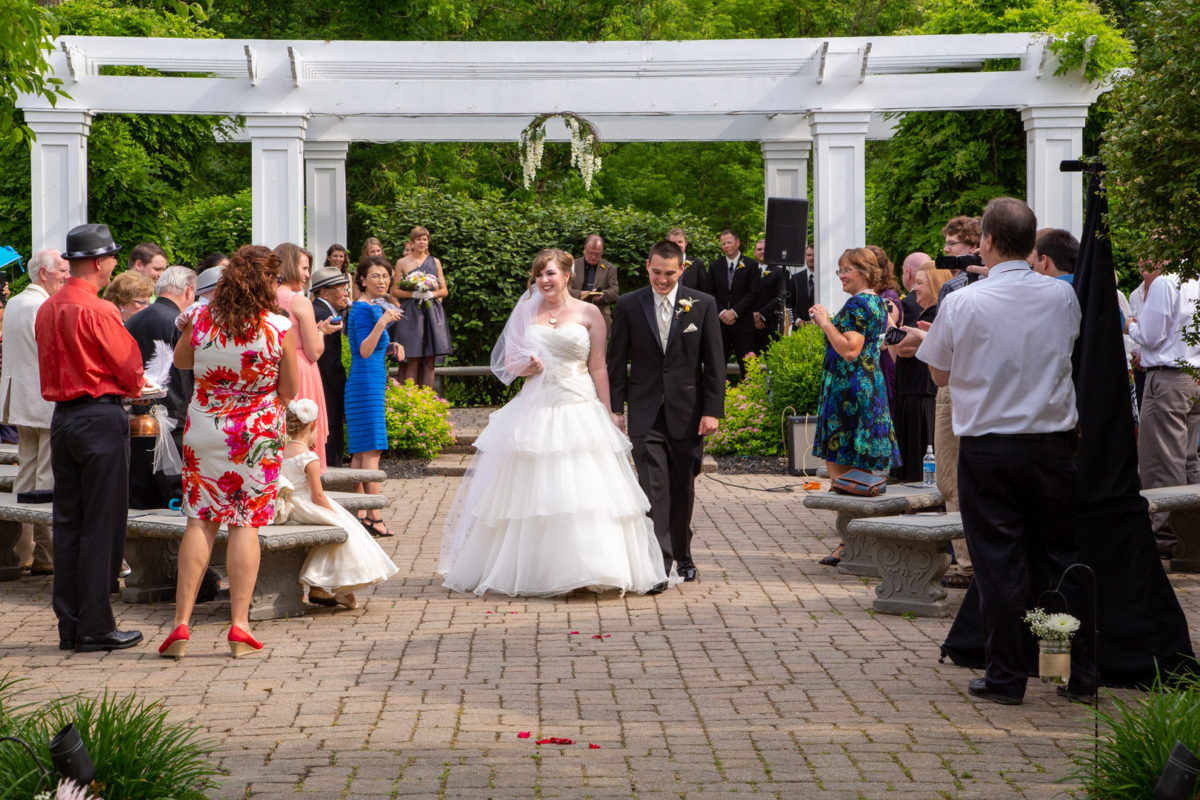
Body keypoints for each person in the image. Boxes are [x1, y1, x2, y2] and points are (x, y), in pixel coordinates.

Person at [918, 196, 1093, 705]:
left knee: (998, 564)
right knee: (1059, 558)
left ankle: (1007, 677)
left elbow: (940, 373)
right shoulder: (1062, 297)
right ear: (1031, 244)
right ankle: (1078, 672)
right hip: (1051, 445)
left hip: (990, 448)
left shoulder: (963, 301)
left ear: (987, 242)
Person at [439, 249, 669, 596]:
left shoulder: (590, 313)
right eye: (539, 275)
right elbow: (507, 362)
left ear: (567, 275)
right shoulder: (526, 310)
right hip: (536, 408)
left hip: (578, 404)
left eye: (550, 274)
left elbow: (599, 367)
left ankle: (591, 567)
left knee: (584, 490)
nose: (544, 281)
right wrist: (524, 368)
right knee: (533, 494)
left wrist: (609, 411)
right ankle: (539, 570)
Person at [158, 244, 298, 660]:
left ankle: (181, 624)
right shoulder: (278, 326)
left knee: (200, 520)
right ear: (268, 283)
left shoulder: (201, 316)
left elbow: (182, 361)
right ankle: (239, 626)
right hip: (256, 436)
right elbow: (288, 391)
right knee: (245, 525)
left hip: (205, 430)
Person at [36, 223, 146, 652]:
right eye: (113, 257)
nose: (115, 264)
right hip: (98, 418)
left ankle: (72, 623)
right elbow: (130, 370)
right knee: (102, 526)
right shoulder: (99, 310)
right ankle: (97, 624)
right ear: (99, 262)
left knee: (68, 522)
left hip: (63, 419)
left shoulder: (49, 306)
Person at [609, 240, 725, 584]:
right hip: (645, 411)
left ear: (682, 269)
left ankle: (683, 554)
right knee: (653, 488)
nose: (662, 280)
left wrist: (712, 411)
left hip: (688, 412)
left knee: (682, 487)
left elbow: (714, 363)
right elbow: (617, 362)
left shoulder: (702, 304)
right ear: (647, 265)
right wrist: (616, 409)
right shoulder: (630, 305)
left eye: (669, 274)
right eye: (656, 272)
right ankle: (659, 565)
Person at [809, 247, 899, 565]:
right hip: (864, 392)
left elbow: (850, 349)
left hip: (849, 399)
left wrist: (824, 321)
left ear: (864, 271)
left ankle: (852, 545)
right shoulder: (877, 302)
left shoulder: (860, 302)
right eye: (839, 270)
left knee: (843, 478)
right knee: (854, 476)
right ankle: (855, 543)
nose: (841, 276)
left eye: (847, 269)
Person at [277, 399, 398, 609]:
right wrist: (333, 512)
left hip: (288, 504)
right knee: (346, 528)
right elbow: (317, 496)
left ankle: (324, 587)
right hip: (305, 505)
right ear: (313, 426)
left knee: (340, 528)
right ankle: (335, 586)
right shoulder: (308, 458)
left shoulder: (282, 451)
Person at [1125, 262, 1200, 559]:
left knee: (1162, 460)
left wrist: (1129, 324)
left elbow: (1150, 336)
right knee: (1190, 461)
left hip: (1167, 379)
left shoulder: (1165, 284)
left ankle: (1166, 538)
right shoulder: (1194, 279)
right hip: (1193, 376)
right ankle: (1191, 541)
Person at [1, 249, 69, 575]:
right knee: (45, 475)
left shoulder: (14, 302)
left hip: (20, 398)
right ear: (43, 273)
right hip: (43, 398)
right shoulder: (43, 304)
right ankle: (47, 555)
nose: (67, 277)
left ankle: (21, 550)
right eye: (62, 272)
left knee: (26, 473)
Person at [125, 265, 196, 509]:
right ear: (188, 291)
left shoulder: (133, 319)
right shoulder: (179, 324)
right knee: (172, 498)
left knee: (139, 496)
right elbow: (186, 373)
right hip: (173, 416)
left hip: (137, 412)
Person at [346, 255, 403, 538]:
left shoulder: (371, 308)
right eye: (376, 276)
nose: (382, 281)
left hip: (370, 381)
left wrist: (391, 345)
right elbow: (364, 351)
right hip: (364, 383)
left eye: (385, 276)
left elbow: (370, 347)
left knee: (361, 452)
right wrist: (383, 322)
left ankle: (359, 514)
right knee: (372, 451)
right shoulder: (363, 309)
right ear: (362, 280)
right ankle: (374, 515)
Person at [275, 242, 341, 472]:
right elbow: (314, 351)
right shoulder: (298, 301)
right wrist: (321, 331)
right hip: (300, 369)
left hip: (273, 368)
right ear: (289, 266)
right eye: (304, 268)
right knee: (303, 428)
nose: (306, 275)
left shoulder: (263, 298)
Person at [887, 265, 945, 484]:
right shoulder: (923, 313)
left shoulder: (935, 312)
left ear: (936, 285)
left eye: (921, 283)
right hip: (909, 391)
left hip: (922, 395)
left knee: (918, 462)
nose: (915, 289)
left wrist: (887, 320)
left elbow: (902, 347)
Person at [390, 226, 452, 388]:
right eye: (419, 239)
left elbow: (444, 290)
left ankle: (429, 401)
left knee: (430, 360)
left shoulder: (435, 262)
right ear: (412, 242)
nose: (422, 242)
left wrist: (432, 295)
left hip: (432, 312)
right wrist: (413, 295)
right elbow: (394, 290)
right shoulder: (402, 262)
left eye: (425, 239)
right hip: (412, 312)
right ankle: (411, 401)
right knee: (413, 359)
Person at [310, 266, 351, 467]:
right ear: (324, 292)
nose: (346, 292)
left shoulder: (316, 309)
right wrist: (344, 396)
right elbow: (332, 364)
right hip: (325, 393)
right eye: (340, 287)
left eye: (346, 287)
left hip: (316, 389)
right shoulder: (324, 315)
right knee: (330, 452)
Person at [708, 230, 761, 378]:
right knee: (718, 366)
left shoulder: (751, 265)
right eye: (723, 243)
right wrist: (722, 312)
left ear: (737, 243)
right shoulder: (714, 266)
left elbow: (753, 293)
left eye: (729, 242)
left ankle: (751, 398)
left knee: (748, 368)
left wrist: (735, 312)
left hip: (743, 323)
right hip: (720, 324)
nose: (726, 246)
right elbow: (709, 292)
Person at [569, 234, 619, 330]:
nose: (593, 256)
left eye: (597, 254)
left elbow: (615, 292)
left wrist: (601, 295)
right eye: (590, 253)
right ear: (584, 249)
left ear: (602, 252)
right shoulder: (572, 265)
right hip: (575, 312)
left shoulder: (610, 268)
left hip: (600, 314)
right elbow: (563, 289)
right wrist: (581, 293)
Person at [752, 238, 786, 353]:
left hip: (771, 323)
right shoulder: (748, 271)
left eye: (765, 249)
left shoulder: (779, 272)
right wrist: (753, 316)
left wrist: (761, 315)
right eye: (759, 249)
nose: (762, 252)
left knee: (771, 360)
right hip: (750, 325)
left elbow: (780, 296)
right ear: (754, 252)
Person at [669, 227, 709, 292]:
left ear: (686, 243)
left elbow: (704, 291)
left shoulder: (698, 265)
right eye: (673, 243)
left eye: (680, 242)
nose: (677, 245)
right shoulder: (662, 264)